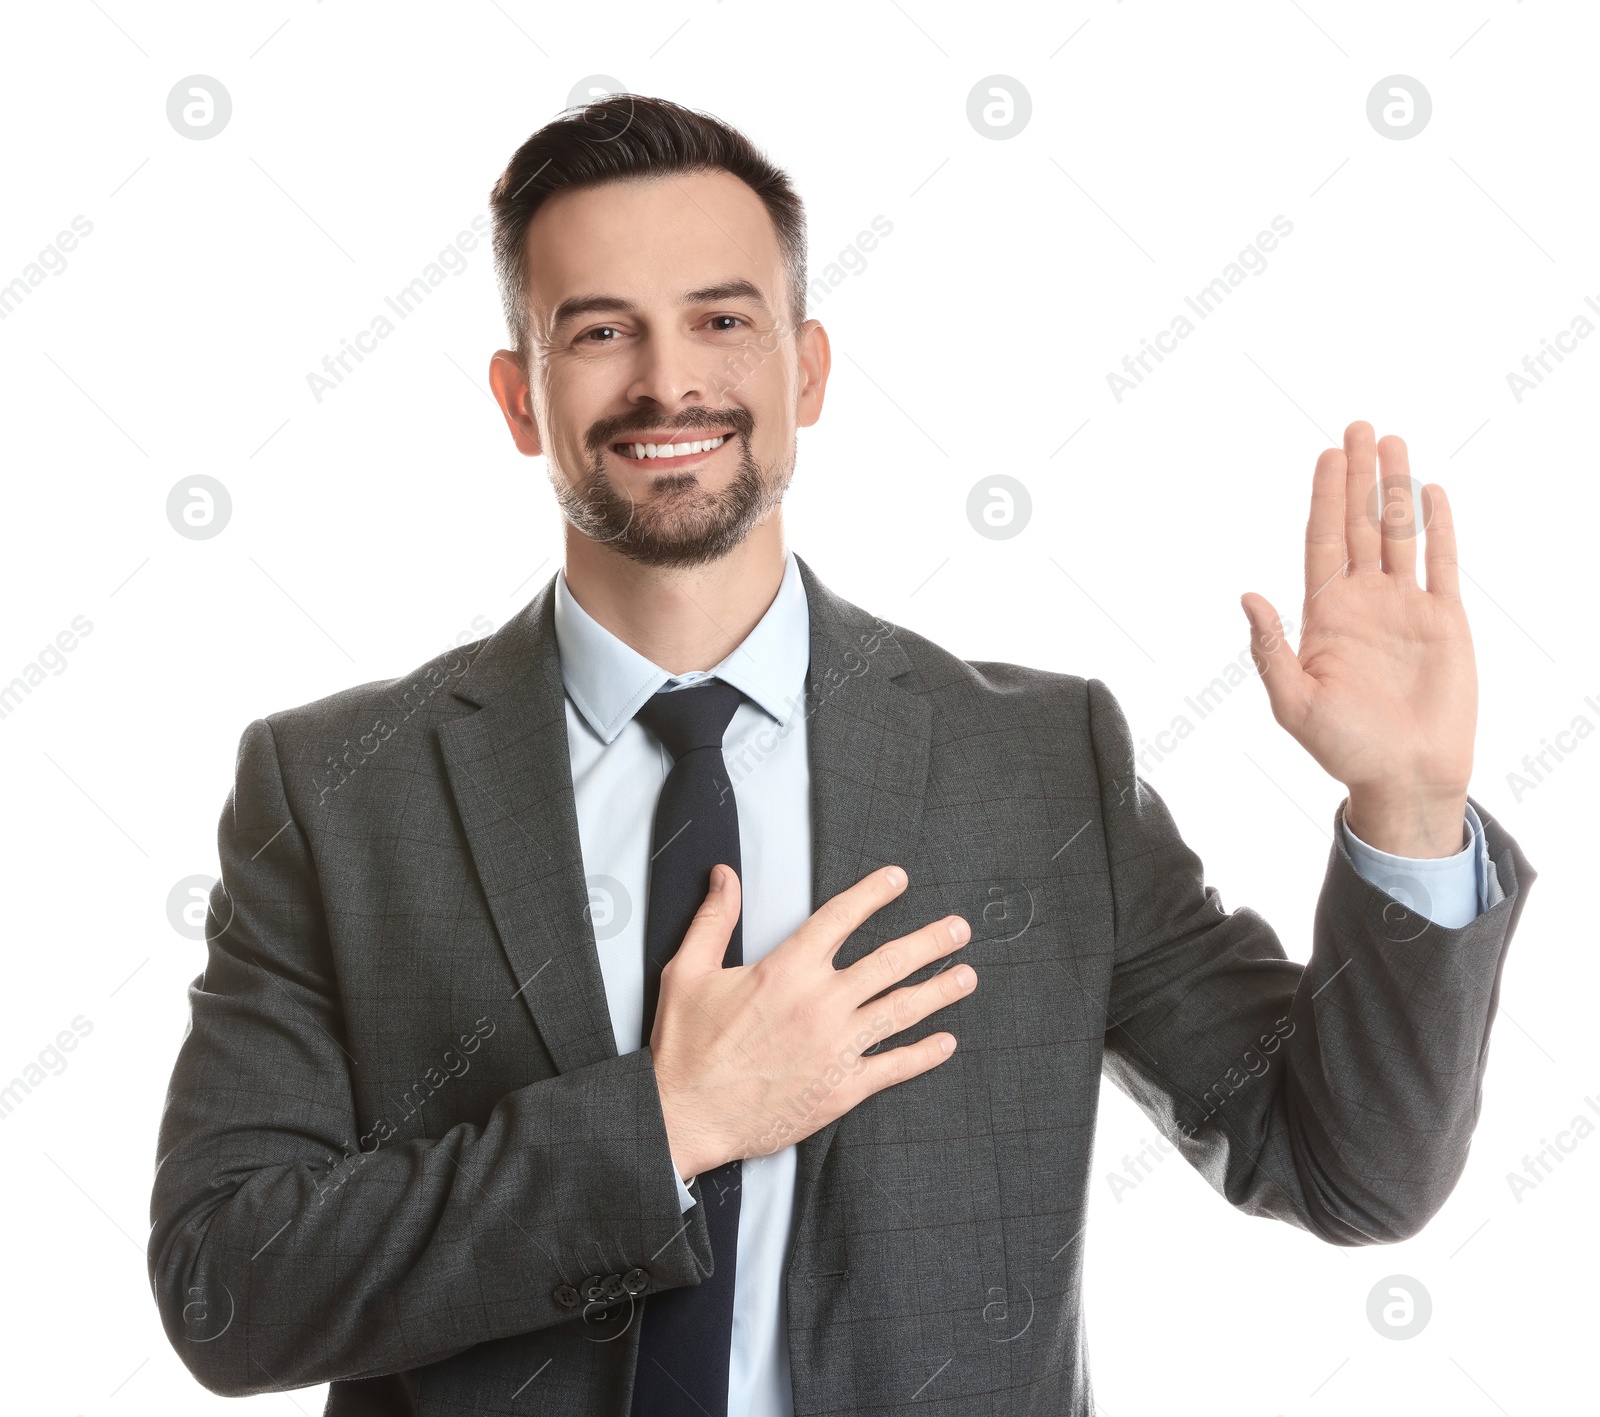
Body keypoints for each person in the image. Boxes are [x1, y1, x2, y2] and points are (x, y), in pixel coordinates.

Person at [149, 95, 1532, 1416]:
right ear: (522, 398)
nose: (669, 377)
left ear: (805, 369)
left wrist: (1407, 807)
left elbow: (1349, 1168)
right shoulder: (337, 790)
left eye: (721, 319)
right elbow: (225, 1282)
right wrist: (667, 1122)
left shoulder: (1040, 764)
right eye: (599, 331)